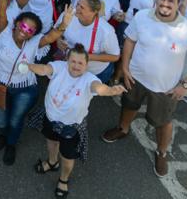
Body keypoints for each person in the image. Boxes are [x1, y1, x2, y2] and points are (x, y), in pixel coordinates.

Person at [102, 0, 187, 177]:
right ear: (156, 0)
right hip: (134, 78)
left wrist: (186, 85)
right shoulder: (142, 16)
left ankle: (161, 152)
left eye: (171, 1)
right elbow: (130, 40)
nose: (165, 4)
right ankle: (123, 129)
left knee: (163, 122)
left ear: (178, 4)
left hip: (165, 88)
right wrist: (125, 67)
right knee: (129, 105)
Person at [0, 0, 75, 166]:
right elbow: (2, 12)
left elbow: (52, 36)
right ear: (16, 23)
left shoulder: (34, 42)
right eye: (23, 26)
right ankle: (2, 134)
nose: (25, 31)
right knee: (0, 118)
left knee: (16, 119)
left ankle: (11, 143)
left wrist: (64, 24)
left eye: (31, 30)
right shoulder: (2, 31)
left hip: (24, 89)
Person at [27, 45, 127, 198]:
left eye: (80, 63)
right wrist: (29, 66)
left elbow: (99, 88)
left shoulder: (89, 79)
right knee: (51, 142)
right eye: (73, 61)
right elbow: (44, 69)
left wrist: (111, 91)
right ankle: (52, 162)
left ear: (86, 65)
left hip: (71, 127)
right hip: (50, 118)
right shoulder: (59, 67)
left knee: (67, 157)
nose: (76, 65)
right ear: (67, 60)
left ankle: (63, 179)